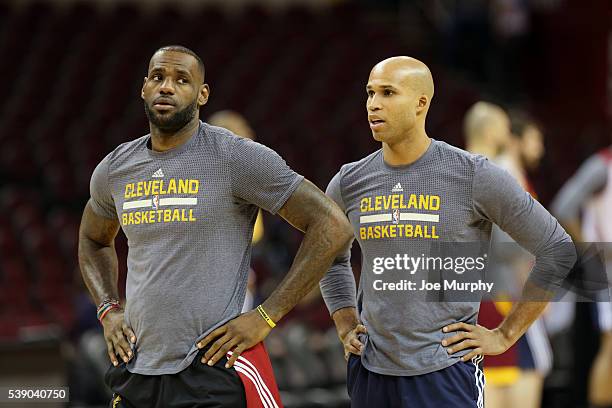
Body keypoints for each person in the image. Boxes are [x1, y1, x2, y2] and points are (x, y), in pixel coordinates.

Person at [78, 45, 353, 408]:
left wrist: (265, 316)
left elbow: (332, 225)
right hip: (138, 368)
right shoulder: (116, 167)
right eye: (158, 78)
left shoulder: (234, 156)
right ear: (144, 87)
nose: (166, 87)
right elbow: (93, 239)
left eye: (181, 80)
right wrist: (109, 311)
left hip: (215, 368)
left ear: (202, 94)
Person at [319, 56, 576, 408]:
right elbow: (330, 257)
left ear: (421, 103)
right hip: (371, 372)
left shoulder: (473, 175)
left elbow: (558, 249)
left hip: (445, 374)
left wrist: (505, 335)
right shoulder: (349, 181)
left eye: (388, 93)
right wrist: (345, 319)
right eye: (370, 93)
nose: (373, 104)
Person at [466, 105, 552, 408]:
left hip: (463, 298)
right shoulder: (498, 173)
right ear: (492, 131)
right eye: (504, 127)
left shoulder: (448, 172)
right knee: (529, 370)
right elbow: (514, 245)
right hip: (503, 296)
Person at [552, 146, 612, 408]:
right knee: (611, 346)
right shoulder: (602, 165)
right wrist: (590, 249)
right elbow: (563, 207)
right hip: (607, 270)